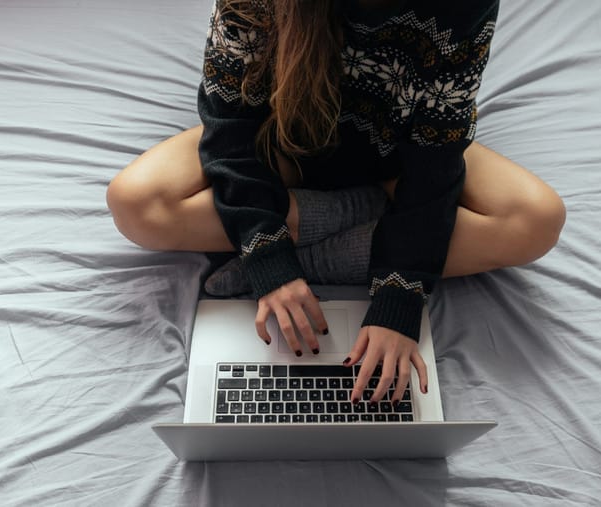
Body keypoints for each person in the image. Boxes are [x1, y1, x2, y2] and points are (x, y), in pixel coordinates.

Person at [106, 0, 565, 407]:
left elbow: (436, 157)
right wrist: (269, 255)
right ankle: (354, 219)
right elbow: (230, 128)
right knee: (136, 203)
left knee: (538, 221)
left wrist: (399, 294)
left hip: (397, 158)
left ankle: (322, 240)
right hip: (282, 144)